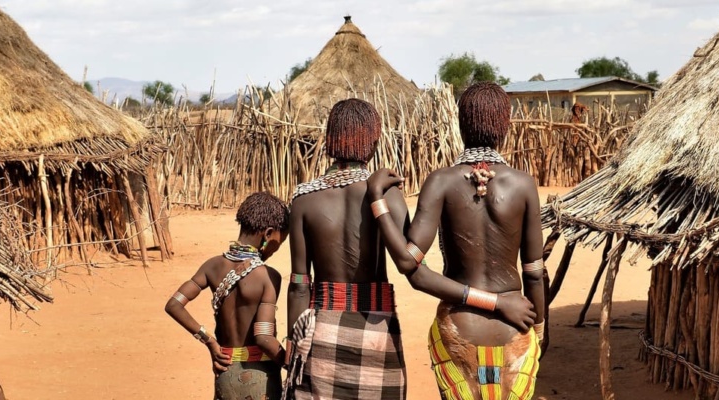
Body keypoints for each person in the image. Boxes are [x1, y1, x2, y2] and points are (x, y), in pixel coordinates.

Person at [365, 82, 544, 399]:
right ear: (504, 126)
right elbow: (533, 272)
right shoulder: (523, 184)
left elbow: (410, 264)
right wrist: (539, 330)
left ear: (460, 124)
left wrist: (377, 202)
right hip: (515, 329)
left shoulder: (441, 182)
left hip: (457, 330)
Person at [280, 99, 408, 399]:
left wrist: (292, 346)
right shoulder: (387, 193)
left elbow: (300, 285)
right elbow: (410, 255)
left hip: (321, 330)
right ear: (373, 140)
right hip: (378, 329)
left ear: (330, 140)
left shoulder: (304, 199)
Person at [165, 192, 291, 400]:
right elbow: (263, 338)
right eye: (280, 241)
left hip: (226, 373)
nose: (276, 249)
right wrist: (293, 365)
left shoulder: (211, 266)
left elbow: (174, 305)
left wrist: (210, 342)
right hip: (259, 379)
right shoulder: (268, 277)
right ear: (268, 234)